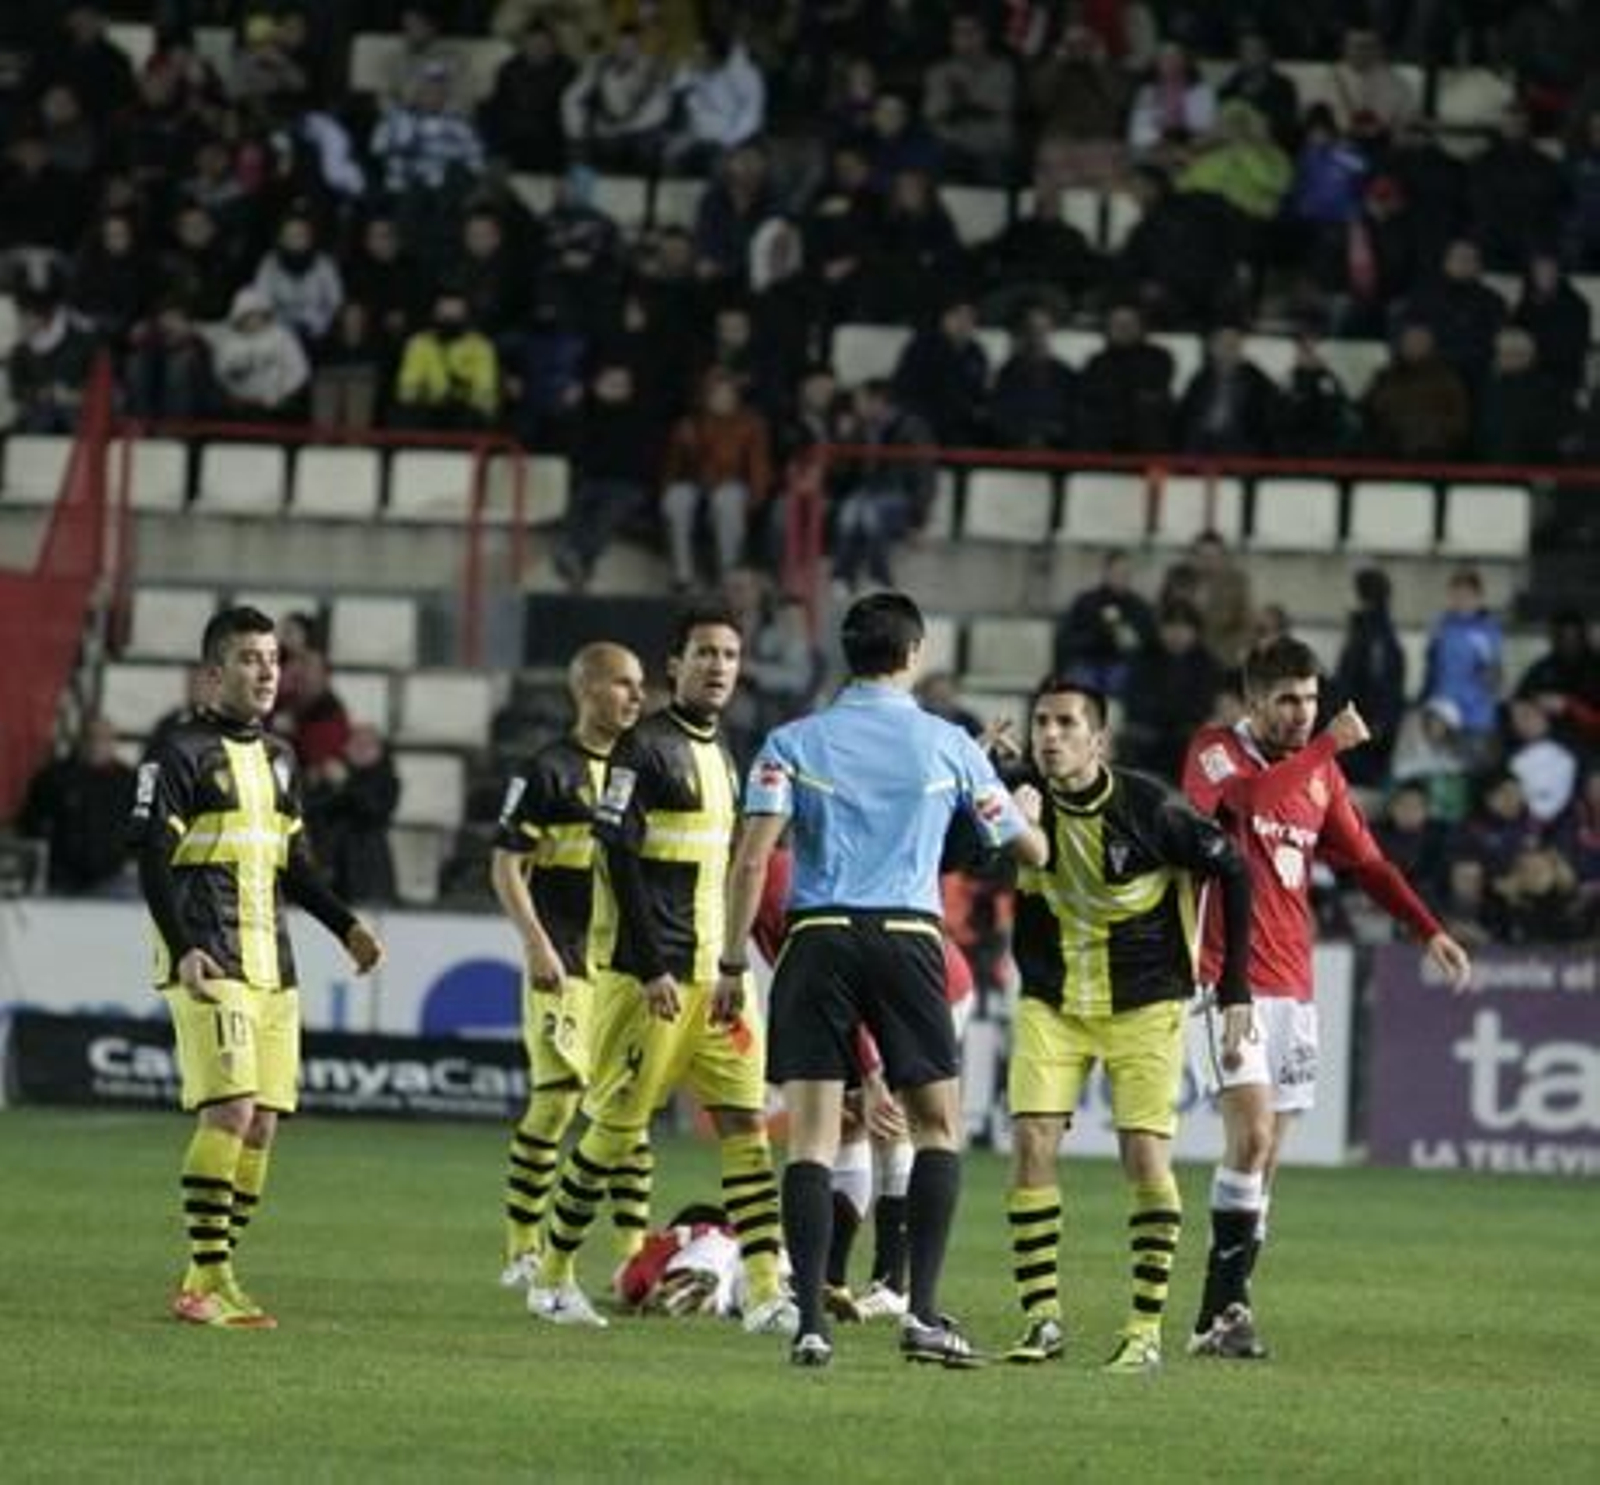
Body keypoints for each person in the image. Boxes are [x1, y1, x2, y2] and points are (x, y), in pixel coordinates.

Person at [719, 592, 1048, 1368]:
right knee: (938, 1125)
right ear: (914, 653)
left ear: (848, 651)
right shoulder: (949, 745)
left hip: (817, 936)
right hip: (906, 937)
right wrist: (1025, 801)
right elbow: (1024, 849)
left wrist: (733, 962)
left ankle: (807, 1321)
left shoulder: (789, 740)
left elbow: (750, 858)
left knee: (808, 1136)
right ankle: (921, 1311)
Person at [1182, 637, 1472, 1361]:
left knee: (1269, 1158)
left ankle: (1227, 1313)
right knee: (1247, 1139)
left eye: (1311, 699)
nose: (1303, 713)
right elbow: (1243, 806)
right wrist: (1327, 750)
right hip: (1228, 977)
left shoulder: (1321, 779)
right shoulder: (1216, 750)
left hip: (1295, 984)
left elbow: (1367, 861)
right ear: (1254, 700)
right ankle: (1218, 1313)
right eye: (1286, 699)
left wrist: (1427, 926)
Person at [528, 605, 792, 1337]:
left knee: (746, 1124)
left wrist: (734, 960)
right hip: (651, 979)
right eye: (704, 652)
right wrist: (649, 965)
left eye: (731, 654)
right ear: (674, 666)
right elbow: (616, 854)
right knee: (615, 1129)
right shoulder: (640, 749)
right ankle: (550, 1276)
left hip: (716, 978)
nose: (719, 666)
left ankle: (767, 1290)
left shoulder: (726, 752)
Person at [131, 607, 383, 1328]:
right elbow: (151, 860)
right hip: (208, 955)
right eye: (248, 658)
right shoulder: (174, 755)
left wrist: (346, 925)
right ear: (213, 673)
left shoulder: (280, 757)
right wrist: (182, 946)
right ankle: (208, 1281)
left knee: (264, 1124)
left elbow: (293, 866)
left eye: (273, 658)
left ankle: (209, 1274)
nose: (268, 670)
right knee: (231, 1109)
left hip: (274, 961)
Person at [1001, 678, 1252, 1375]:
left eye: (1066, 724)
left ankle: (1143, 1330)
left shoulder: (1153, 807)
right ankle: (1042, 1319)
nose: (1050, 736)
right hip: (1052, 999)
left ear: (1098, 740)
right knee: (1030, 1142)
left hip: (1146, 1002)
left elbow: (1234, 870)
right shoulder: (1018, 800)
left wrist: (1235, 991)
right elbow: (958, 850)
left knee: (1144, 1156)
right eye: (1041, 723)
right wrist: (995, 804)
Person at [492, 643, 649, 1288]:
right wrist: (535, 942)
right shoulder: (547, 770)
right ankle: (523, 1248)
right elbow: (505, 864)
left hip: (626, 965)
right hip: (565, 957)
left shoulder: (647, 766)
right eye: (623, 684)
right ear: (586, 689)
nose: (638, 696)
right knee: (558, 1101)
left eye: (642, 684)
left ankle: (635, 1253)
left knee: (625, 1109)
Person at [18, 714, 135, 894]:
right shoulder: (54, 777)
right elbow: (31, 821)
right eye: (91, 737)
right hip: (62, 877)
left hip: (111, 877)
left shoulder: (128, 781)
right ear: (80, 740)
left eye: (104, 739)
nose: (97, 744)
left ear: (114, 743)